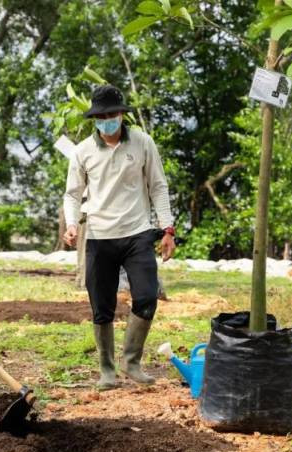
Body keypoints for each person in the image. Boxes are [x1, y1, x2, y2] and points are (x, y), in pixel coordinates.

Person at [63, 85, 176, 389]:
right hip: (99, 236)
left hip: (137, 233)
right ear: (94, 119)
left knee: (147, 296)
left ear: (122, 115)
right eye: (101, 116)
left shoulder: (142, 142)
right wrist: (72, 224)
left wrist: (168, 229)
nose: (107, 121)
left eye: (112, 114)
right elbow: (72, 194)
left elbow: (158, 186)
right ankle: (107, 370)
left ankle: (132, 361)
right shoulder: (82, 151)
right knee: (101, 305)